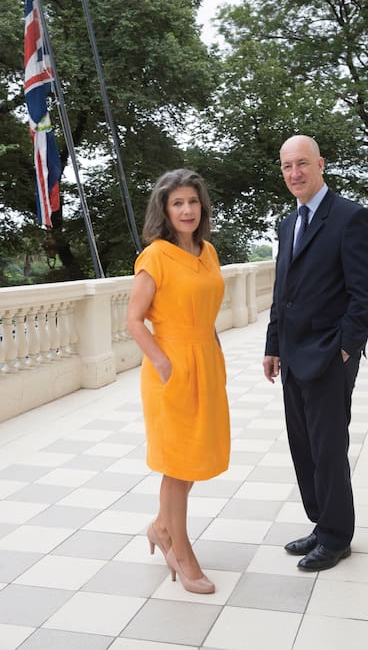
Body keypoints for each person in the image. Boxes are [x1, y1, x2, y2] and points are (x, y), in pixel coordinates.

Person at [263, 135, 368, 572]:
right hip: (293, 357)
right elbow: (283, 292)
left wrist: (347, 349)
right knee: (304, 447)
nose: (295, 173)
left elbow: (364, 293)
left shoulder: (350, 217)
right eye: (288, 166)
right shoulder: (287, 224)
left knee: (329, 448)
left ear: (320, 165)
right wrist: (273, 347)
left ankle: (336, 537)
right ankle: (321, 523)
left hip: (330, 356)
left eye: (303, 164)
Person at [127, 168, 230, 594]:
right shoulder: (155, 257)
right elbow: (133, 321)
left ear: (201, 206)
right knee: (176, 466)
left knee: (193, 461)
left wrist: (216, 356)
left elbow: (207, 309)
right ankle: (182, 552)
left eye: (192, 201)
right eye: (177, 203)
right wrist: (164, 365)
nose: (187, 210)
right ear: (165, 211)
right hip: (170, 367)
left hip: (206, 361)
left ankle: (160, 527)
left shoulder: (207, 252)